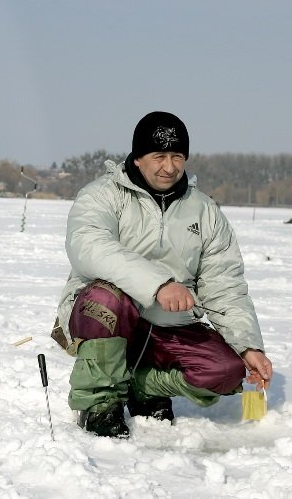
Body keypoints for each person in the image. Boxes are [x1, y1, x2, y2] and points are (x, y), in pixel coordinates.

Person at [53, 111, 273, 438]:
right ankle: (99, 403)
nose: (169, 167)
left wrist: (248, 345)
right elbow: (89, 246)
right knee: (104, 298)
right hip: (106, 316)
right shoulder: (102, 195)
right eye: (159, 156)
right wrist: (159, 285)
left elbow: (225, 285)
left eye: (177, 156)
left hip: (171, 325)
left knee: (224, 372)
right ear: (138, 158)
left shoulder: (204, 210)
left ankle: (144, 387)